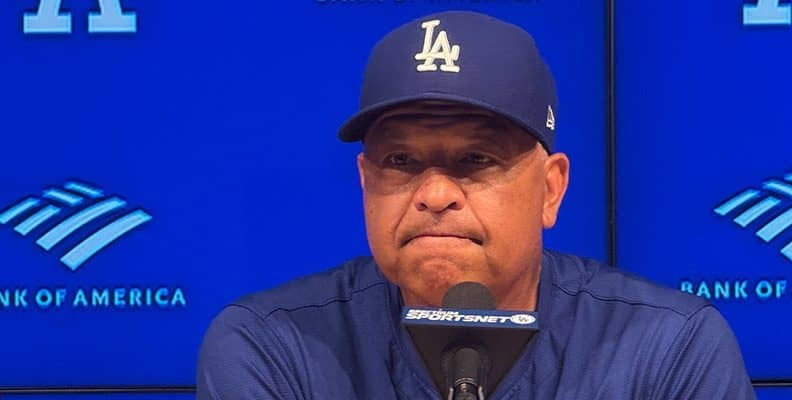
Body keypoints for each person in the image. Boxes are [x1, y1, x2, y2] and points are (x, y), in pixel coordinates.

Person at [197, 10, 756, 400]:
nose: (435, 194)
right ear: (365, 182)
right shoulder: (273, 349)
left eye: (476, 160)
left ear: (551, 190)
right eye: (400, 161)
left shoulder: (667, 350)